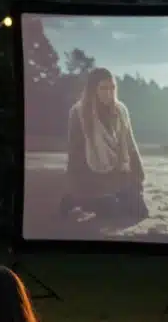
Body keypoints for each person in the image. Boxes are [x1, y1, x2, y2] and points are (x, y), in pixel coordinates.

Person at [61, 67, 147, 221]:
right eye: (103, 88)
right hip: (92, 175)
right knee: (111, 211)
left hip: (118, 173)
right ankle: (74, 200)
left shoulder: (121, 110)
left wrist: (138, 176)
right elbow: (75, 153)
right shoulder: (79, 113)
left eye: (112, 87)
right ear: (93, 89)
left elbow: (130, 143)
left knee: (140, 212)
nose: (109, 92)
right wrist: (77, 186)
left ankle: (110, 198)